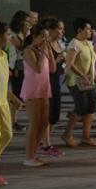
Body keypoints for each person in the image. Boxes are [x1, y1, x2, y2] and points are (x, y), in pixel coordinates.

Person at [21, 21, 55, 167]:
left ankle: (34, 154)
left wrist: (49, 52)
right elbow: (38, 69)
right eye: (42, 37)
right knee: (34, 124)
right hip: (32, 90)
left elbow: (52, 68)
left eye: (47, 37)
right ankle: (28, 157)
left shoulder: (43, 51)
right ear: (34, 36)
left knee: (44, 122)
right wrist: (43, 54)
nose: (45, 40)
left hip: (44, 89)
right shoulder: (29, 50)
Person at [61, 18, 96, 148]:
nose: (90, 31)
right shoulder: (74, 44)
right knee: (81, 107)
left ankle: (86, 137)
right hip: (76, 81)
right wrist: (82, 75)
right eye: (88, 29)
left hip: (90, 81)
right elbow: (70, 63)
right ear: (79, 30)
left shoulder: (88, 43)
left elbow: (93, 63)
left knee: (91, 108)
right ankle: (67, 134)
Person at [0, 22, 23, 185]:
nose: (10, 38)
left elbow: (2, 82)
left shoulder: (4, 55)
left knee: (7, 135)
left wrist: (13, 98)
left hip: (3, 103)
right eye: (8, 35)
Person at [38, 17, 65, 158]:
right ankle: (45, 144)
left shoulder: (60, 44)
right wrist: (59, 59)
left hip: (57, 81)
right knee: (47, 115)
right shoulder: (45, 44)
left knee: (54, 114)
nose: (62, 31)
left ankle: (44, 141)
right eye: (59, 28)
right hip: (47, 80)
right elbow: (46, 67)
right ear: (51, 30)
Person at [9, 11, 31, 132]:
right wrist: (14, 68)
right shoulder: (13, 34)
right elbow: (20, 49)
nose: (28, 23)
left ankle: (14, 120)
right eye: (26, 21)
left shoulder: (25, 33)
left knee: (22, 94)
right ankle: (13, 121)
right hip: (18, 65)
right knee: (17, 94)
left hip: (25, 65)